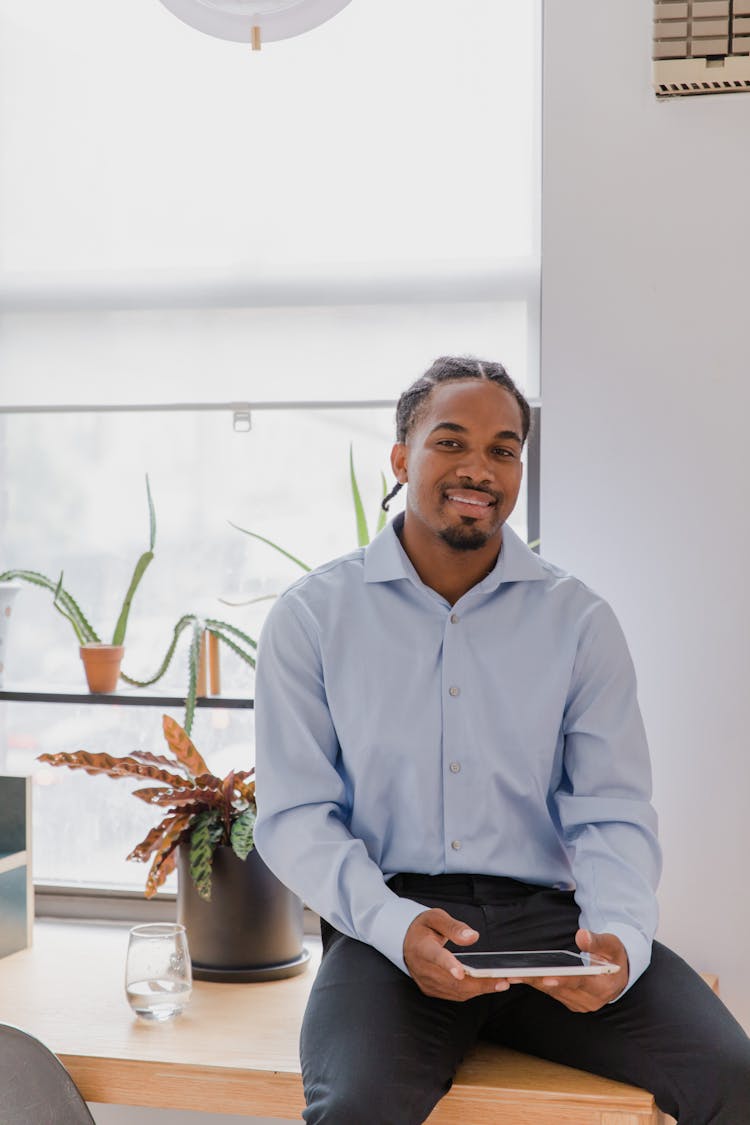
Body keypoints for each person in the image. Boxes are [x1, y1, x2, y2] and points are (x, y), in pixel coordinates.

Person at [253, 356, 750, 1124]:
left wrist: (616, 939)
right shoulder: (313, 617)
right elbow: (295, 814)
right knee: (356, 1105)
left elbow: (611, 810)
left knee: (734, 1075)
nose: (478, 468)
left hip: (557, 927)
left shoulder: (579, 621)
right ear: (400, 458)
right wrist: (393, 923)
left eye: (503, 449)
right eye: (450, 442)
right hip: (394, 926)